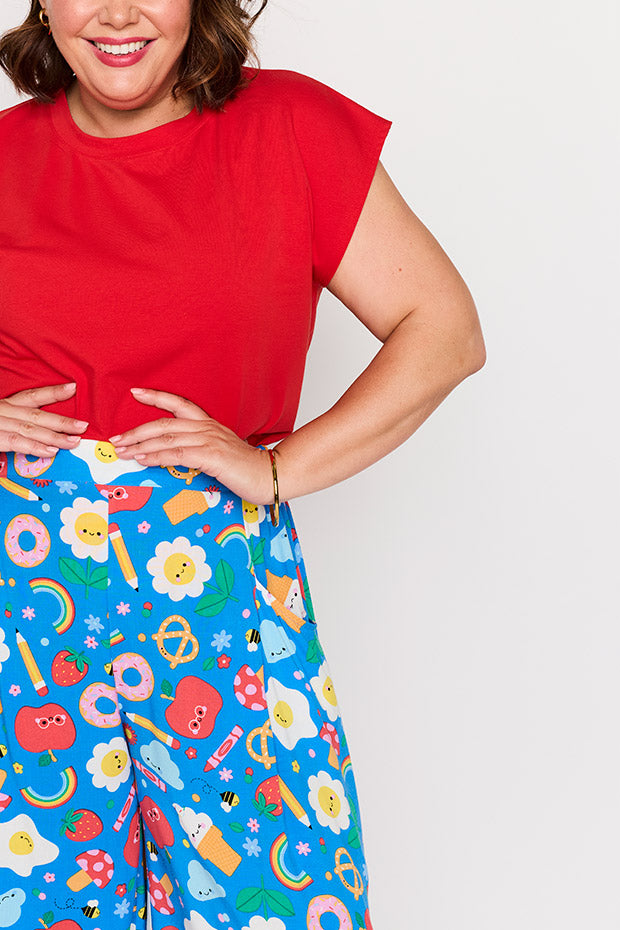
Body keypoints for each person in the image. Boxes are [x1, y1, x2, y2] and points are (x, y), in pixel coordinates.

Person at [0, 1, 486, 928]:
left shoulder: (290, 129)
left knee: (270, 894)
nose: (116, 13)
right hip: (17, 601)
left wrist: (276, 472)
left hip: (214, 588)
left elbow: (444, 332)